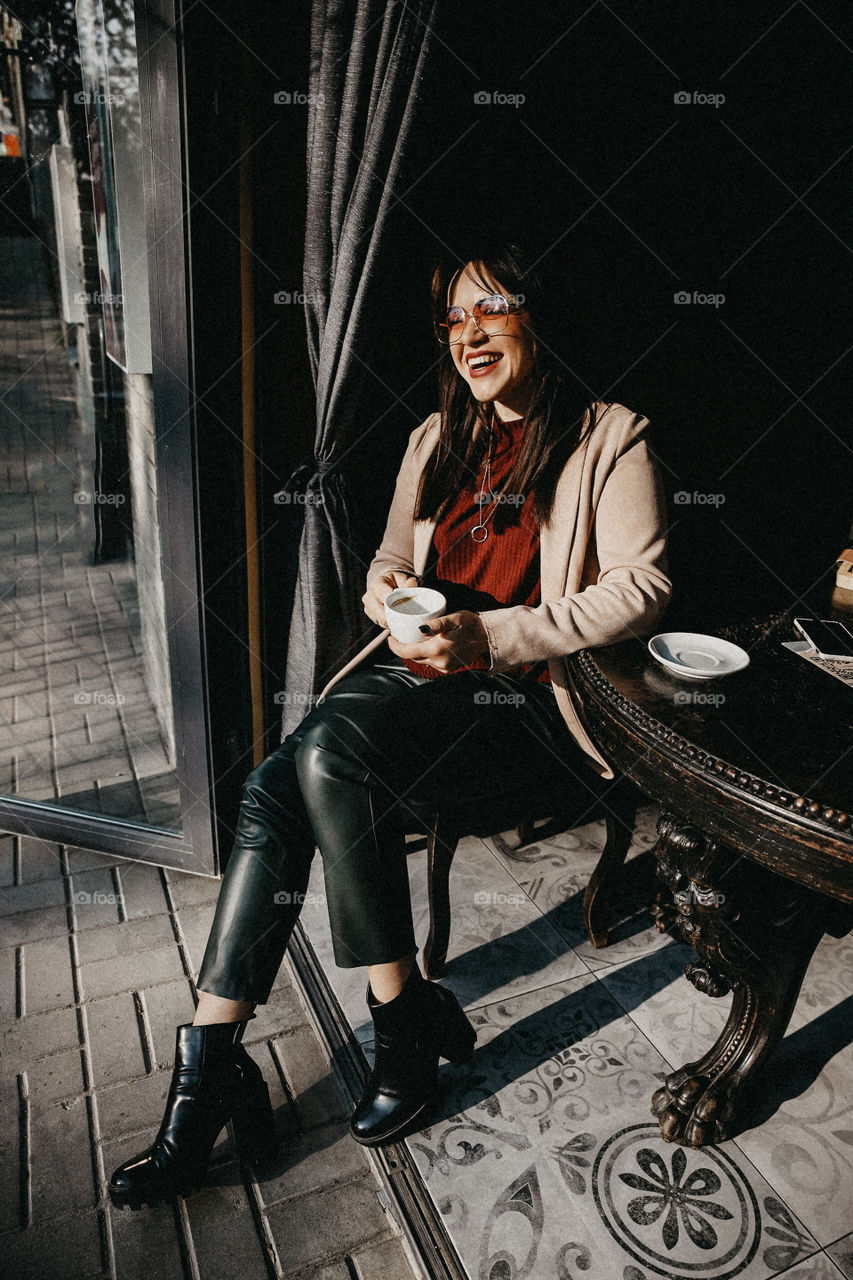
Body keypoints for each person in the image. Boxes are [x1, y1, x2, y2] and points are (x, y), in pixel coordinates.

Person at [108, 237, 671, 1209]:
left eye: (491, 306)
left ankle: (373, 1019)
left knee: (318, 751)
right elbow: (383, 559)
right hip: (413, 681)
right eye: (454, 315)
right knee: (274, 783)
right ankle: (221, 1056)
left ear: (537, 314)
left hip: (520, 698)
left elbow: (641, 586)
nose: (469, 332)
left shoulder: (609, 433)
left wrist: (490, 634)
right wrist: (387, 595)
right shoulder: (435, 435)